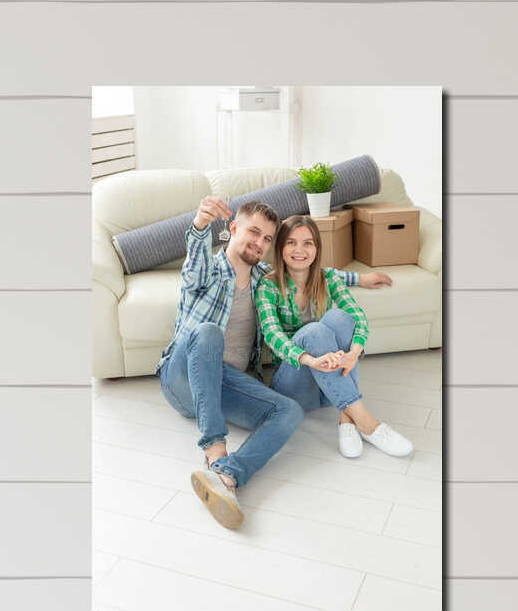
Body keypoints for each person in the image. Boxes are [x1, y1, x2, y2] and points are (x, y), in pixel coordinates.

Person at [155, 196, 305, 530]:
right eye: (253, 232)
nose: (260, 243)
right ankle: (215, 450)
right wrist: (199, 226)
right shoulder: (208, 268)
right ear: (233, 228)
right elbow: (192, 267)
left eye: (267, 238)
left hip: (226, 386)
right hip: (182, 379)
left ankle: (227, 476)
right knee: (208, 333)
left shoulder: (265, 279)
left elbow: (307, 276)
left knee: (290, 412)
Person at [256, 215, 414, 460]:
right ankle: (368, 423)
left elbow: (357, 317)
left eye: (308, 243)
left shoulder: (328, 279)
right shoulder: (268, 287)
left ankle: (346, 418)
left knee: (340, 317)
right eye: (291, 242)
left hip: (328, 390)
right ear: (280, 248)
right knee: (314, 331)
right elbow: (273, 335)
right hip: (295, 387)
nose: (300, 250)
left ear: (317, 249)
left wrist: (354, 353)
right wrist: (310, 360)